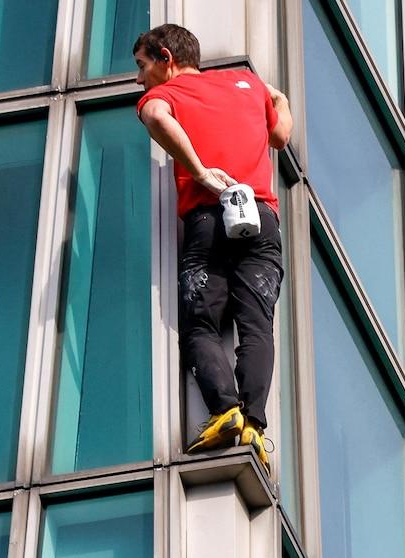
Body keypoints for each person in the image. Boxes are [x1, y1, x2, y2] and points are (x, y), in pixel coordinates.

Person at [132, 24, 293, 471]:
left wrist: (200, 172)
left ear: (166, 57)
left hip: (210, 216)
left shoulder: (166, 96)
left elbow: (156, 118)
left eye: (142, 67)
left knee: (200, 323)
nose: (139, 79)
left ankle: (225, 412)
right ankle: (254, 429)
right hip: (261, 217)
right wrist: (277, 98)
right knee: (257, 326)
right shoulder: (248, 85)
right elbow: (281, 134)